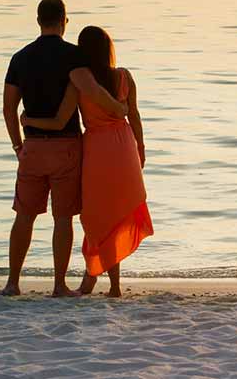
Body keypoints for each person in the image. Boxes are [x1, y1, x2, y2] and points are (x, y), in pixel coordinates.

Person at [1, 0, 127, 297]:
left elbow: (8, 109)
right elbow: (92, 90)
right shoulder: (73, 57)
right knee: (62, 218)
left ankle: (12, 283)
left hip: (32, 146)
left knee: (24, 216)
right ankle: (59, 285)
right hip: (67, 148)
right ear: (64, 21)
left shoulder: (20, 58)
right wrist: (119, 108)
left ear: (38, 21)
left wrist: (18, 145)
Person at [22, 25, 152, 297]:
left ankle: (93, 277)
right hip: (124, 147)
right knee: (116, 215)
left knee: (95, 217)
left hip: (95, 148)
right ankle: (111, 284)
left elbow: (59, 121)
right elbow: (135, 116)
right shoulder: (125, 77)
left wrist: (28, 120)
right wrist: (140, 147)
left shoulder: (79, 82)